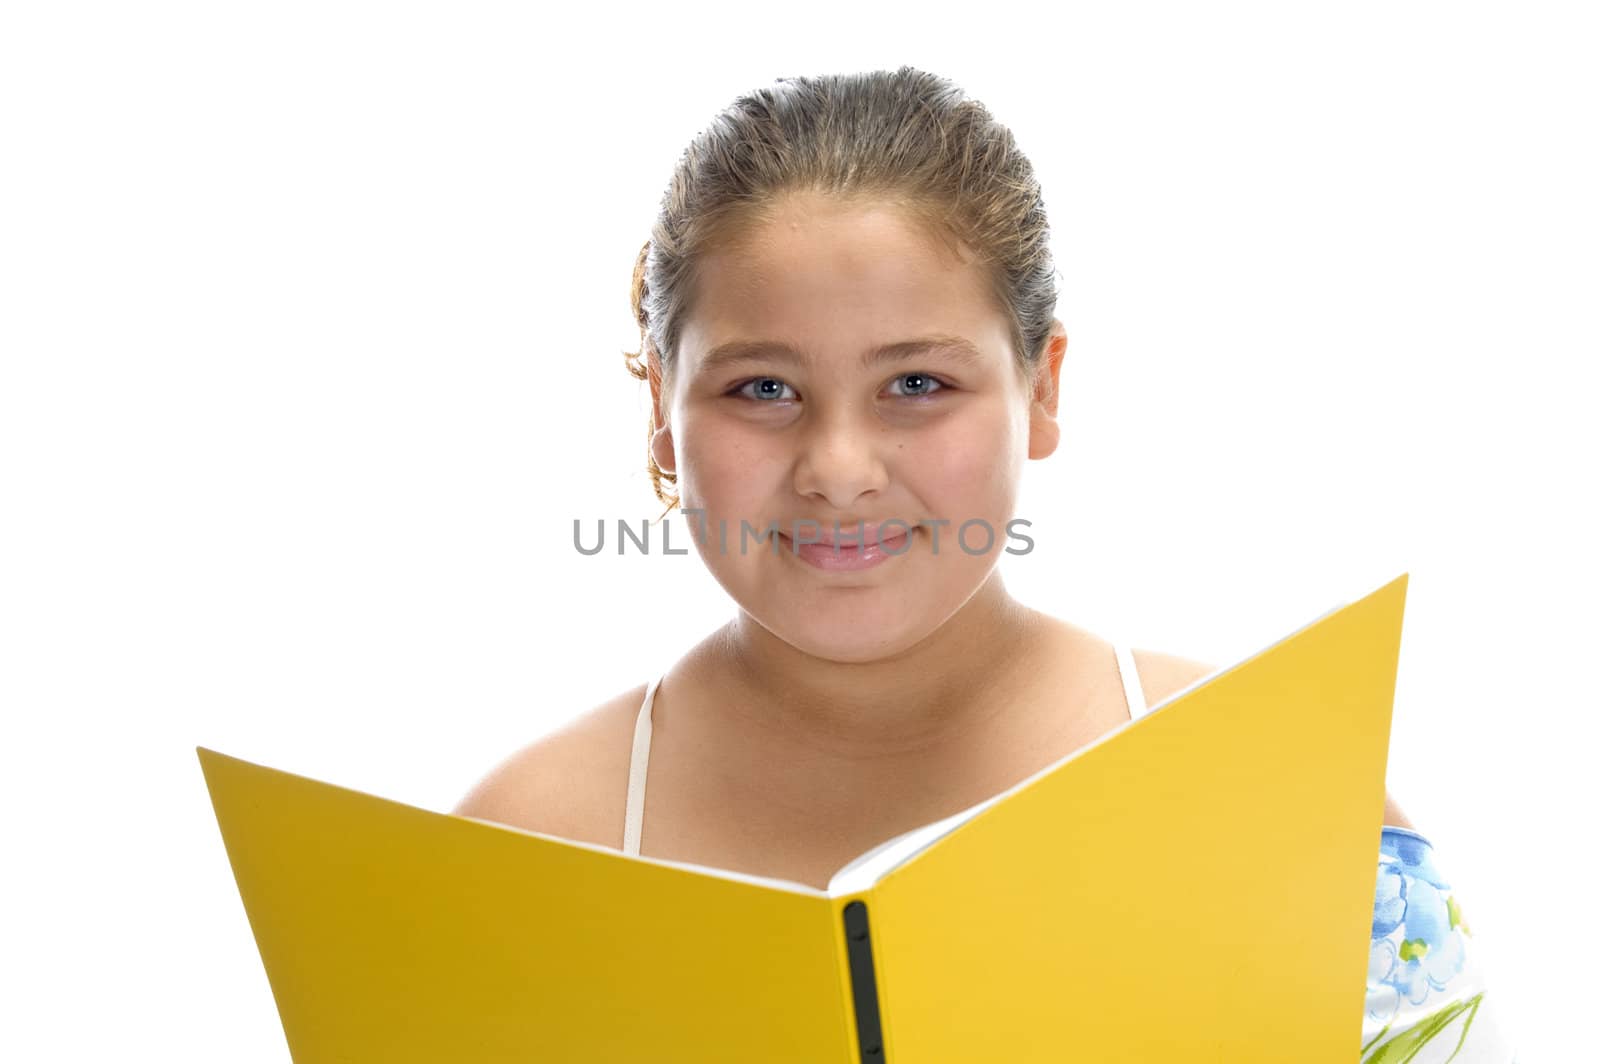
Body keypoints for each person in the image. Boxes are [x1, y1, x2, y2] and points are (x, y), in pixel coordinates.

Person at [454, 66, 1515, 1061]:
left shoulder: (1288, 799)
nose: (838, 469)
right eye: (761, 389)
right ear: (659, 410)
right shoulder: (524, 844)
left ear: (1040, 389)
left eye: (915, 383)